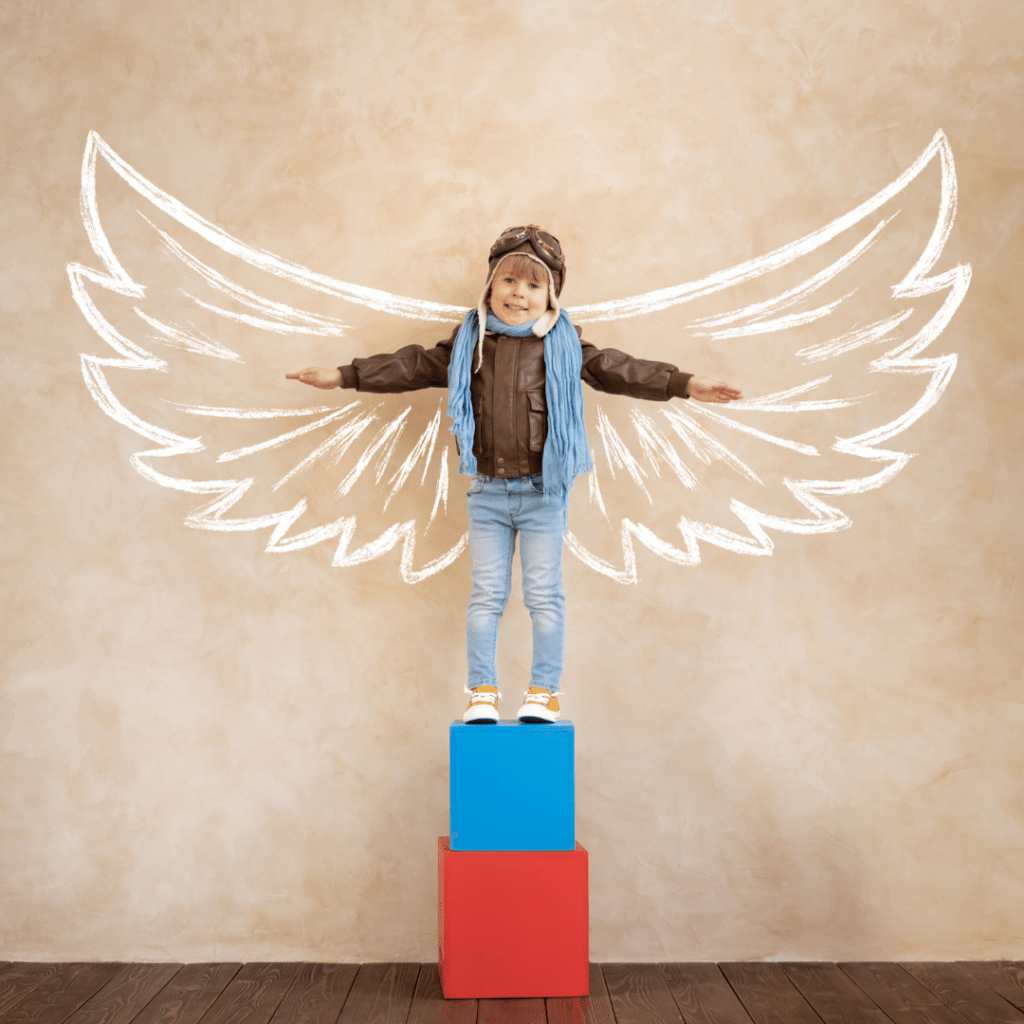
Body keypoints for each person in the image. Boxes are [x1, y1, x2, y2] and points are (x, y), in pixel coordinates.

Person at [287, 226, 741, 724]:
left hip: (544, 493)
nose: (518, 294)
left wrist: (686, 383)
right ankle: (482, 690)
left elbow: (621, 369)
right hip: (487, 494)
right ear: (489, 287)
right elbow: (411, 366)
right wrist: (344, 375)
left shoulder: (564, 347)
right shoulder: (469, 346)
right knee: (487, 596)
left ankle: (544, 693)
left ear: (550, 296)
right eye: (508, 281)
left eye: (532, 286)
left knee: (544, 596)